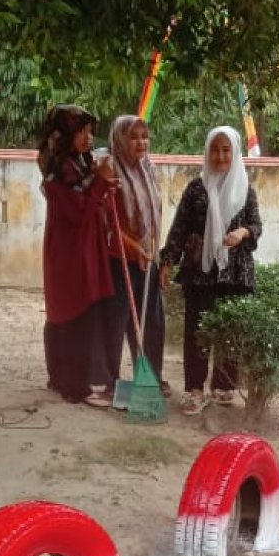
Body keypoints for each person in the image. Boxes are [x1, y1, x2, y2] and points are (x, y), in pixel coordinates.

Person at [159, 125, 262, 414]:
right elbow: (179, 228)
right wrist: (167, 261)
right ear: (207, 151)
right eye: (215, 149)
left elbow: (257, 226)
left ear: (235, 152)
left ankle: (224, 385)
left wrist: (242, 232)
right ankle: (194, 388)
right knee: (198, 332)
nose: (220, 155)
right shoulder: (196, 188)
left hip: (235, 271)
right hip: (200, 272)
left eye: (226, 149)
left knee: (229, 329)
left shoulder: (245, 189)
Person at [38, 104, 118, 408]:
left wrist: (104, 186)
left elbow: (93, 201)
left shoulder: (82, 164)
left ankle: (63, 378)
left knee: (72, 311)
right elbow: (78, 211)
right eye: (80, 131)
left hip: (82, 246)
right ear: (63, 135)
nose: (87, 138)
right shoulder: (58, 173)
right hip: (71, 251)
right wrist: (100, 183)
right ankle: (74, 385)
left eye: (89, 132)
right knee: (72, 312)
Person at [106, 114, 168, 393]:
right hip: (119, 259)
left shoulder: (148, 169)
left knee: (151, 322)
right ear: (120, 139)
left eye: (144, 136)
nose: (140, 142)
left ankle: (150, 377)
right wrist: (136, 248)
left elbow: (155, 213)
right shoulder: (109, 170)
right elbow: (109, 225)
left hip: (147, 259)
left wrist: (152, 250)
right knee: (116, 322)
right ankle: (110, 381)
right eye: (133, 137)